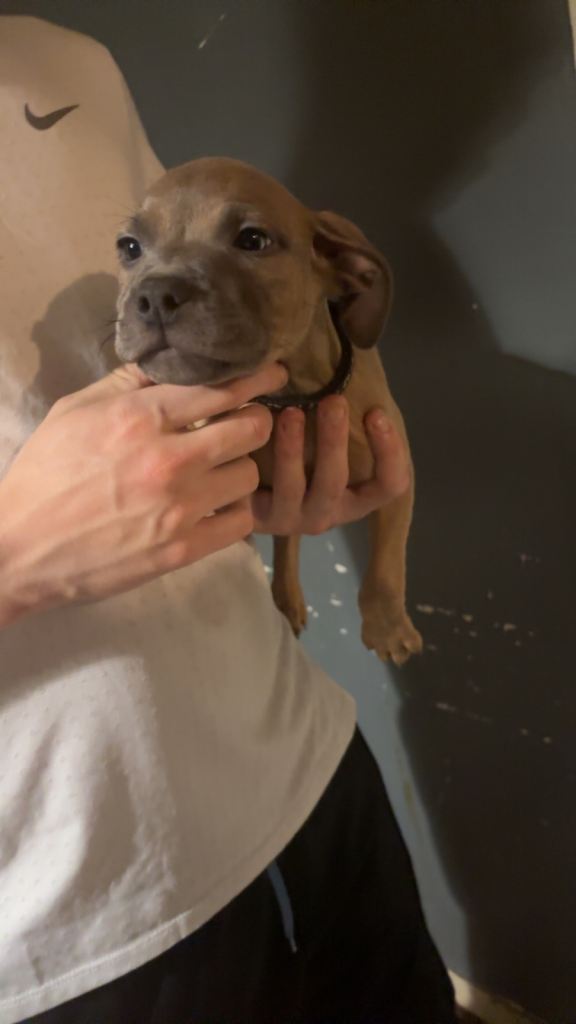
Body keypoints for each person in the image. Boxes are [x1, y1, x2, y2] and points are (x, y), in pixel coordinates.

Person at [0, 16, 457, 1024]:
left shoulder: (66, 64)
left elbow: (194, 298)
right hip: (76, 913)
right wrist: (17, 556)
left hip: (302, 757)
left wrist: (263, 477)